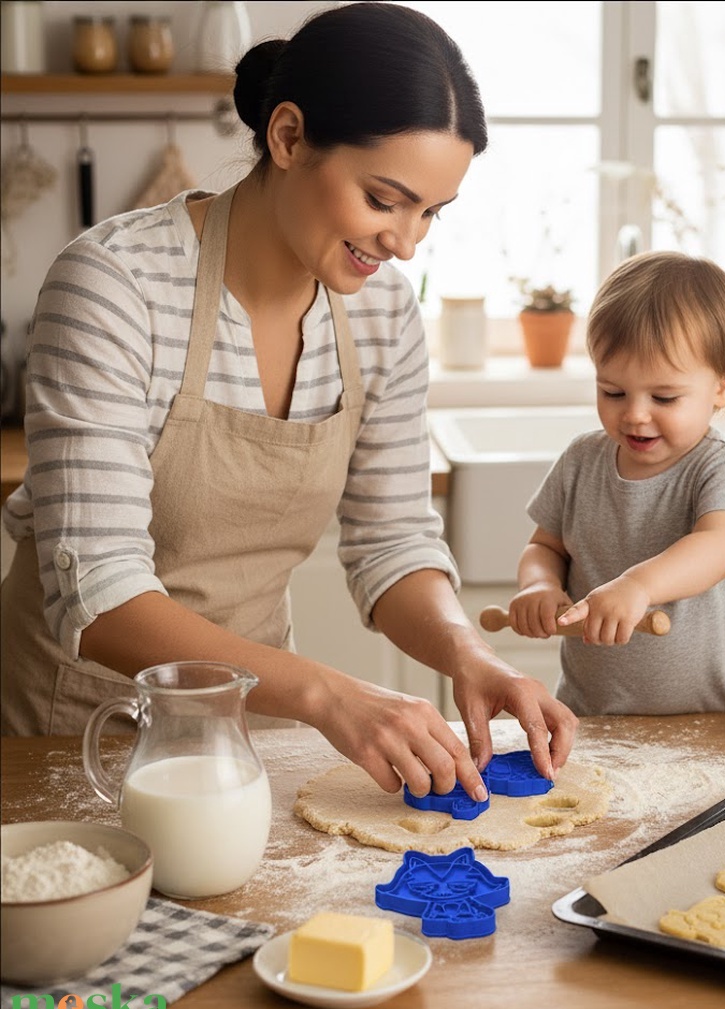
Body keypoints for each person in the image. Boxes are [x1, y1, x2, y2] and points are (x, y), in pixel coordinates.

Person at [0, 2, 576, 798]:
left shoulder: (382, 313)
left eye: (430, 213)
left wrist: (469, 655)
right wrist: (328, 695)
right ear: (289, 137)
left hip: (249, 735)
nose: (405, 243)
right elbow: (100, 595)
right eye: (383, 200)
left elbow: (392, 542)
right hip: (75, 734)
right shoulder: (115, 286)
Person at [506, 251, 725, 716]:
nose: (635, 414)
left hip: (708, 722)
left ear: (724, 384)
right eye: (613, 392)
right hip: (588, 716)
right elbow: (544, 546)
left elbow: (719, 546)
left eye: (664, 397)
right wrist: (539, 585)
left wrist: (638, 586)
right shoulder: (581, 460)